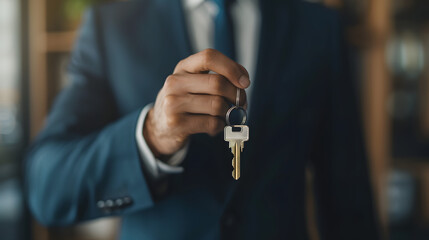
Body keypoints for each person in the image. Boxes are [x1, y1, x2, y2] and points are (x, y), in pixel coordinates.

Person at [25, 0, 380, 239]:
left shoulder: (318, 28)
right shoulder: (111, 26)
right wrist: (151, 137)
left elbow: (350, 203)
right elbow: (47, 188)